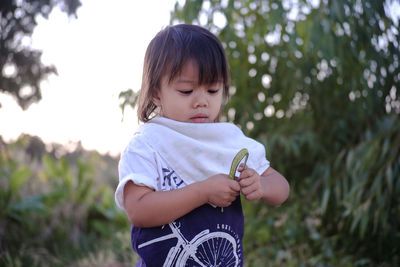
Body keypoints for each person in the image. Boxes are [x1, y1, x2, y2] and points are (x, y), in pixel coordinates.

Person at [115, 24, 290, 267]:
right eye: (186, 90)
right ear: (156, 93)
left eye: (212, 89)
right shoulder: (147, 144)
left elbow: (281, 189)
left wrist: (261, 184)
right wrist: (203, 191)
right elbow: (138, 210)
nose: (201, 101)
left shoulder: (228, 141)